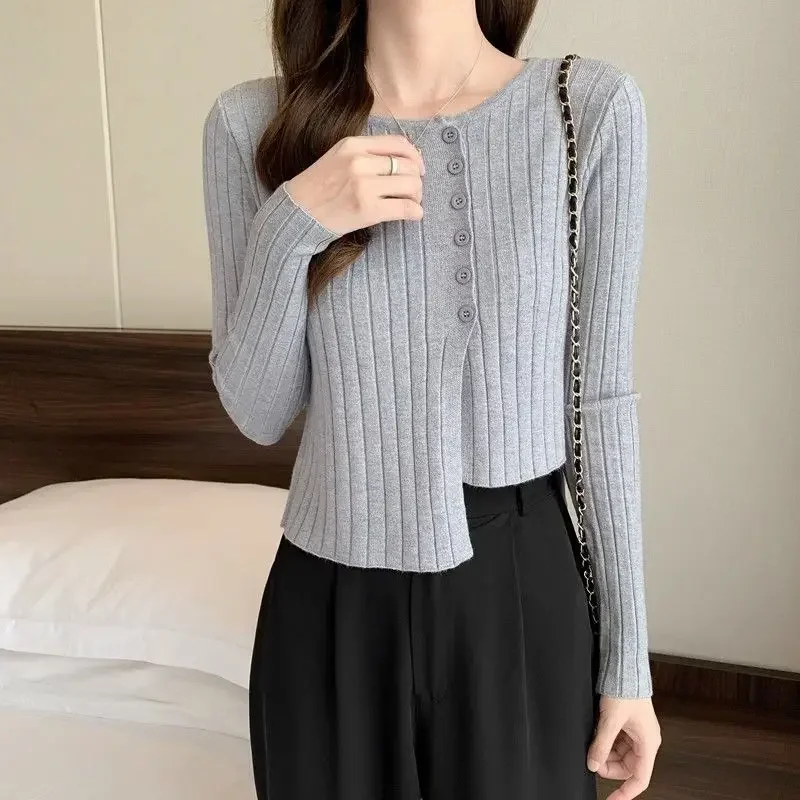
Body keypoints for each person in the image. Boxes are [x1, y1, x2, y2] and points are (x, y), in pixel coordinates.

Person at [202, 1, 662, 798]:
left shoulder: (587, 110)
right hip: (328, 604)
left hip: (521, 588)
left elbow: (600, 404)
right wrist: (293, 224)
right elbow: (258, 412)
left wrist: (628, 659)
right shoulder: (253, 124)